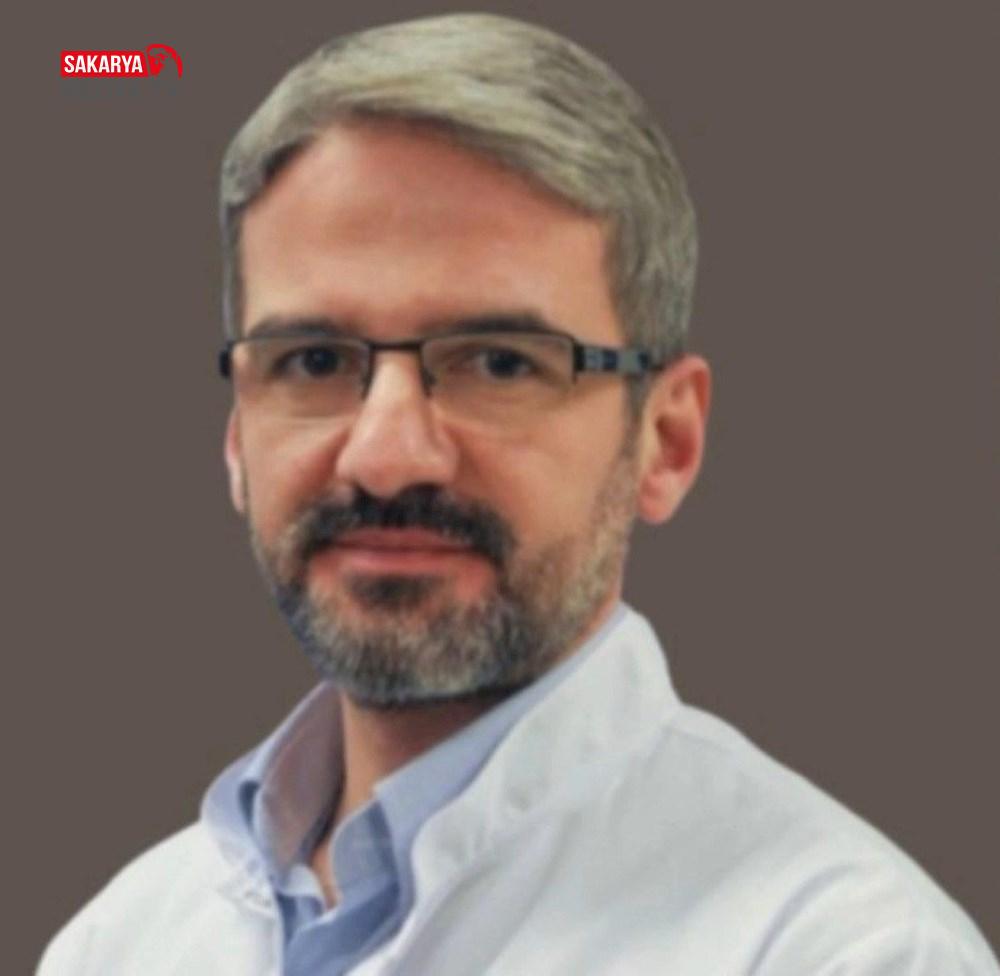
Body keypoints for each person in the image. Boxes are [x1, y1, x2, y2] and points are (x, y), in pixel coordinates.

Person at [38, 13, 998, 975]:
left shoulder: (843, 950)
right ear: (237, 435)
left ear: (665, 441)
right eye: (315, 361)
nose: (386, 457)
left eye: (499, 361)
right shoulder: (119, 943)